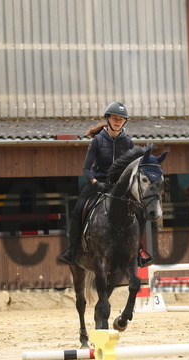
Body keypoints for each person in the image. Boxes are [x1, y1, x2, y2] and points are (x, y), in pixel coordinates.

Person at [58, 101, 153, 266]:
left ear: (124, 122)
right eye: (115, 118)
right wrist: (96, 183)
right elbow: (86, 170)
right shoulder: (97, 141)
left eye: (121, 119)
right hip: (98, 183)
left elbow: (133, 169)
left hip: (120, 188)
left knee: (141, 212)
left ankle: (138, 251)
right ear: (108, 119)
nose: (118, 121)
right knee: (77, 210)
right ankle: (73, 250)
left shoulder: (127, 142)